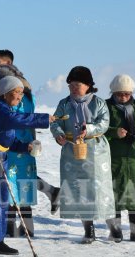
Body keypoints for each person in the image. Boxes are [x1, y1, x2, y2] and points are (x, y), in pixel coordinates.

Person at [0, 76, 53, 256]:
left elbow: (8, 138)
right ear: (5, 93)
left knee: (1, 200)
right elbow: (19, 120)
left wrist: (24, 146)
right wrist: (45, 119)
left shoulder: (6, 109)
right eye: (17, 92)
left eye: (22, 93)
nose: (20, 97)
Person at [50, 66, 115, 244]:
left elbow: (104, 123)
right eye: (70, 85)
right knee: (79, 189)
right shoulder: (64, 103)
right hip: (72, 150)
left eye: (77, 85)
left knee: (100, 189)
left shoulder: (98, 102)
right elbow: (55, 122)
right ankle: (89, 230)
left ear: (88, 85)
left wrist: (89, 129)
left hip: (96, 150)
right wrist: (58, 134)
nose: (73, 88)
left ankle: (113, 227)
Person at [0, 50, 60, 218]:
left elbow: (18, 115)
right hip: (18, 139)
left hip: (17, 139)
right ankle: (50, 193)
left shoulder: (17, 88)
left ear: (7, 64)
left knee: (15, 179)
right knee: (20, 178)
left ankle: (16, 228)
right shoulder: (19, 85)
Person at [105, 74, 135, 242]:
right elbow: (101, 127)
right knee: (114, 193)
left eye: (126, 94)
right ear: (113, 92)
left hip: (134, 155)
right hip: (114, 155)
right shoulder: (106, 107)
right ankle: (115, 232)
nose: (123, 97)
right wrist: (114, 132)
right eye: (119, 94)